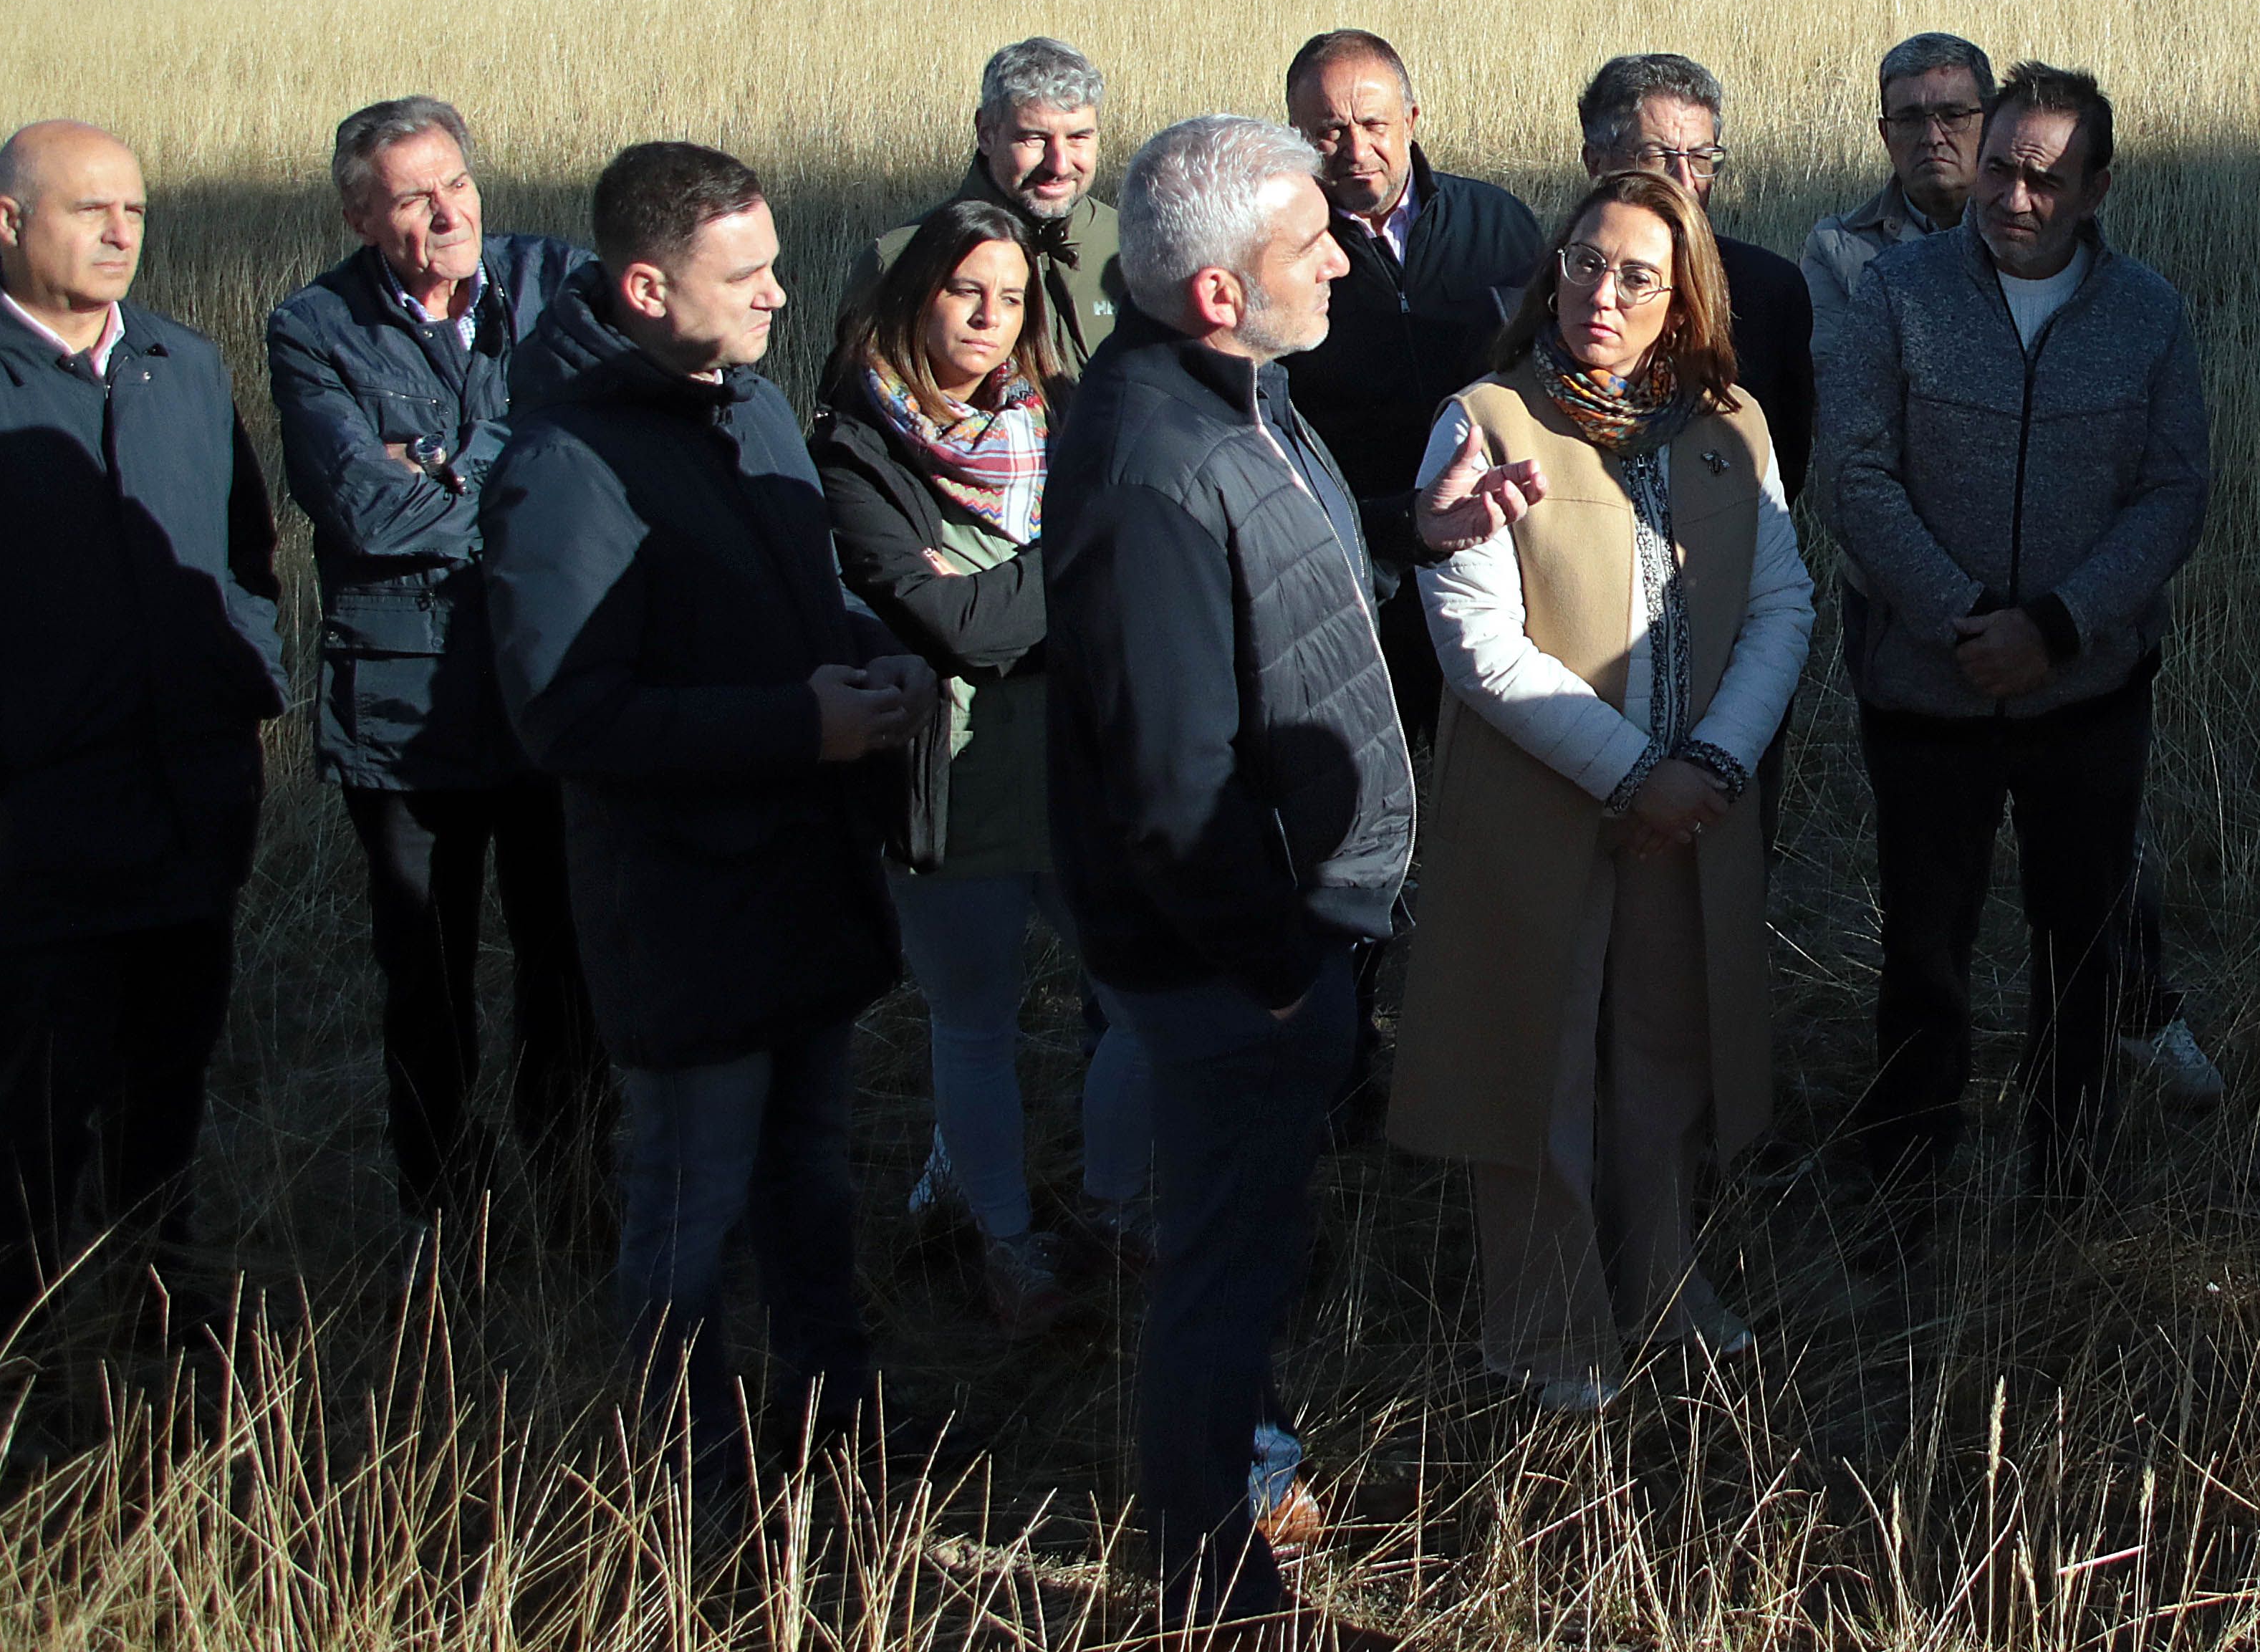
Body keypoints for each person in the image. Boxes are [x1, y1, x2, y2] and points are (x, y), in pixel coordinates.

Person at [1044, 113, 1534, 1631]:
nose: (1339, 260)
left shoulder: (1243, 398)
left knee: (1249, 1248)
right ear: (1213, 291)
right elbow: (1176, 791)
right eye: (1309, 244)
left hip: (1278, 947)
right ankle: (1217, 1585)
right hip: (1229, 975)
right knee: (1222, 1271)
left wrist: (1409, 529)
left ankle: (1235, 1516)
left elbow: (1289, 570)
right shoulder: (1149, 467)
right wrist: (1278, 980)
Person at [484, 142, 936, 1489]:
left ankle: (837, 1420)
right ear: (642, 284)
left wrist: (874, 655)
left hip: (802, 882)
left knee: (811, 1177)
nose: (779, 296)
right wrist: (804, 723)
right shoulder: (567, 466)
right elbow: (571, 719)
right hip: (686, 907)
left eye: (776, 264)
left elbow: (786, 607)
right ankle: (688, 1481)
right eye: (744, 274)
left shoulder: (745, 412)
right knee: (688, 1205)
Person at [1390, 171, 1814, 1408]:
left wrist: (1711, 763)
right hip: (1541, 807)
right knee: (1540, 1056)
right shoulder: (1485, 417)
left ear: (1683, 292)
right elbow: (1475, 644)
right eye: (1583, 262)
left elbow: (1783, 602)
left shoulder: (1728, 422)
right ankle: (1544, 1323)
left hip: (1692, 809)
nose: (1601, 293)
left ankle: (1667, 1287)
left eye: (1635, 273)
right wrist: (1635, 773)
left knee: (1665, 1048)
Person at [1806, 32, 2223, 1110]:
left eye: (2046, 179)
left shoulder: (2148, 314)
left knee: (2079, 945)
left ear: (2097, 190)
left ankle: (2066, 1178)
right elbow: (1853, 476)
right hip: (1926, 690)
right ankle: (1909, 1175)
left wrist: (2056, 625)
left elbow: (2174, 493)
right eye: (2001, 168)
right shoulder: (1896, 292)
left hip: (2086, 692)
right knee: (1925, 948)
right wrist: (1966, 618)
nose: (2015, 198)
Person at [0, 123, 284, 1350]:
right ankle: (7, 1357)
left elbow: (246, 550)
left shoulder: (178, 365)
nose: (118, 232)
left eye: (134, 210)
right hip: (33, 827)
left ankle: (169, 1324)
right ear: (5, 220)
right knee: (35, 1103)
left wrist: (244, 676)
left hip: (189, 803)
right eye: (89, 208)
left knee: (171, 1087)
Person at [266, 96, 607, 1246]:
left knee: (570, 967)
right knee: (427, 984)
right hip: (404, 708)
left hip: (549, 685)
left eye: (454, 181)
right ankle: (450, 1224)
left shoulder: (556, 281)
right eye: (412, 196)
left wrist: (449, 467)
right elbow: (365, 510)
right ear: (362, 215)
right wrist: (521, 470)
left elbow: (599, 455)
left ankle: (577, 1201)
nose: (446, 210)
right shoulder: (314, 327)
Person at [811, 198, 1153, 1333]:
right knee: (974, 1021)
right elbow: (952, 629)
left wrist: (996, 594)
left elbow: (986, 608)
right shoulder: (854, 443)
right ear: (917, 293)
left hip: (1073, 762)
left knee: (1139, 994)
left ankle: (1109, 1215)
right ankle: (1006, 1241)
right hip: (943, 779)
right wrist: (1077, 548)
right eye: (968, 293)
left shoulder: (1058, 411)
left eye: (1012, 299)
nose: (991, 320)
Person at [1281, 27, 1551, 1135]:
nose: (1353, 148)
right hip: (1346, 586)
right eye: (1326, 129)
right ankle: (1341, 1079)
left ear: (1416, 119)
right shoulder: (1281, 244)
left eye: (1372, 121)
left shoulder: (1497, 225)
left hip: (1490, 581)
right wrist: (1390, 527)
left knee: (1495, 815)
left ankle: (1494, 1055)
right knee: (1352, 834)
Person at [1577, 52, 1814, 484]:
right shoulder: (1560, 295)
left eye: (1702, 158)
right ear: (1596, 162)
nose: (1685, 182)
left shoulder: (1770, 292)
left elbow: (1785, 466)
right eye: (1657, 156)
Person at [850, 37, 1126, 378]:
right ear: (985, 133)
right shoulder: (901, 261)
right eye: (1034, 138)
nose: (1059, 164)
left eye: (1078, 137)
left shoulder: (1135, 245)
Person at [1800, 32, 1991, 335]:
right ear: (1886, 136)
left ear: (1992, 124)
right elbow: (1834, 373)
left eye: (1953, 115)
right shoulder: (1837, 248)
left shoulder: (2031, 233)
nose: (1932, 137)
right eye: (1909, 120)